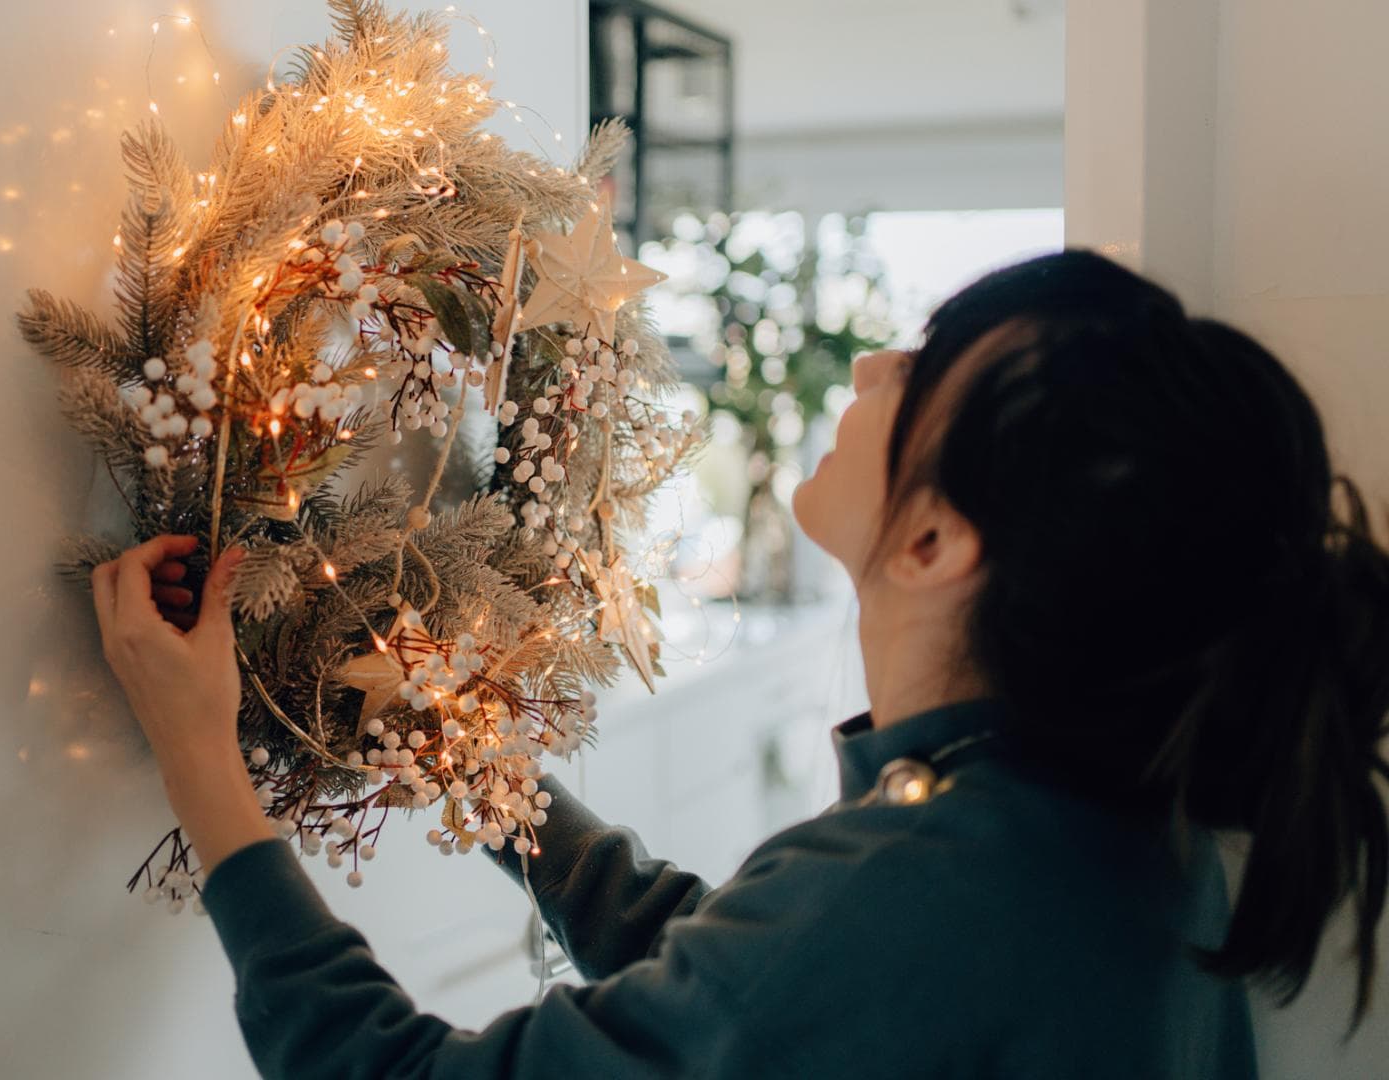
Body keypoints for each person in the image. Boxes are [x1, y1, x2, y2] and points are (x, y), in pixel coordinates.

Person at [87, 250, 1389, 1077]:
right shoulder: (1076, 828)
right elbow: (753, 990)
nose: (876, 363)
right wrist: (485, 767)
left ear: (936, 541)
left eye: (927, 367)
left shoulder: (935, 884)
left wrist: (203, 761)